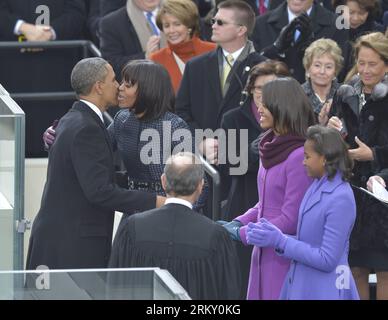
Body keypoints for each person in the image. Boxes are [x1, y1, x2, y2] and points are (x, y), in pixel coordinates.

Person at [26, 58, 164, 270]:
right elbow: (100, 191)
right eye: (113, 79)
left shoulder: (72, 120)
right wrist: (155, 201)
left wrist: (138, 183)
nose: (118, 85)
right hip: (71, 247)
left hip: (61, 241)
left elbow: (90, 175)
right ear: (99, 86)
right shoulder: (86, 128)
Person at [43, 60, 207, 211]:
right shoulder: (122, 119)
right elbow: (93, 148)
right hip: (134, 207)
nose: (120, 88)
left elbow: (200, 181)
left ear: (146, 90)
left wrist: (184, 210)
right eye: (120, 82)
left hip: (168, 210)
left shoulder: (174, 125)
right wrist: (58, 136)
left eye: (127, 85)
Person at [219, 77, 316, 300]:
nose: (259, 109)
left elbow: (290, 218)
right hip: (261, 251)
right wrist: (239, 221)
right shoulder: (268, 146)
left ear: (282, 107)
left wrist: (243, 233)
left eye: (266, 104)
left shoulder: (299, 155)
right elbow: (265, 203)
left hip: (284, 256)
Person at [246, 125, 360, 300]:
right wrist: (275, 237)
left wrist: (282, 241)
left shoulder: (341, 197)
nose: (303, 162)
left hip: (327, 289)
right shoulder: (316, 184)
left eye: (307, 157)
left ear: (324, 158)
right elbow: (307, 240)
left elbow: (327, 259)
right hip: (301, 284)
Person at [109, 152, 241, 300]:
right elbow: (229, 295)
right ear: (200, 186)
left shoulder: (131, 229)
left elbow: (115, 285)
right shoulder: (216, 236)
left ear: (163, 181)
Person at [219, 60, 290, 299]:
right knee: (242, 278)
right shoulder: (232, 118)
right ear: (251, 89)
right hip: (244, 200)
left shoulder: (290, 122)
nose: (264, 95)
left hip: (279, 210)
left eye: (271, 88)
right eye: (260, 88)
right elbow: (231, 163)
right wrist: (262, 150)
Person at [327, 31, 388, 300]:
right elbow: (333, 140)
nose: (365, 70)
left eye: (372, 64)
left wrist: (373, 155)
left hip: (383, 198)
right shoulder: (345, 93)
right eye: (361, 63)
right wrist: (330, 129)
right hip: (351, 194)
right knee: (356, 268)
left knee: (385, 271)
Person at [251, 0, 350, 83]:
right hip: (273, 98)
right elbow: (252, 69)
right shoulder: (260, 23)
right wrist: (276, 48)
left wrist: (312, 47)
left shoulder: (337, 25)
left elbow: (340, 71)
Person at [149, 0, 216, 93]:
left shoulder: (213, 51)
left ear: (189, 26)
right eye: (167, 25)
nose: (171, 30)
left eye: (177, 24)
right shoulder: (157, 59)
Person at [99, 0, 167, 79]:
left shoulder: (180, 13)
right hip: (141, 87)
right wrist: (145, 57)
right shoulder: (111, 23)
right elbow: (112, 66)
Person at [301, 38, 343, 124]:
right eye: (317, 65)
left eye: (328, 67)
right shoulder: (297, 95)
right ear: (308, 68)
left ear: (335, 71)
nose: (322, 71)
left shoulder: (344, 95)